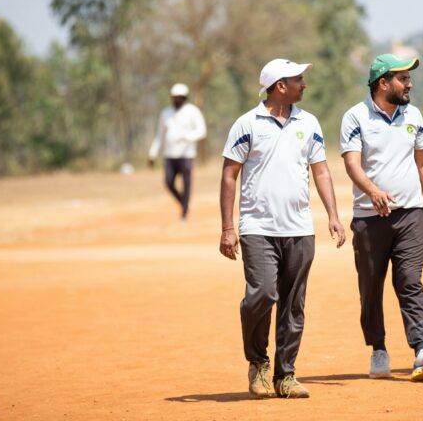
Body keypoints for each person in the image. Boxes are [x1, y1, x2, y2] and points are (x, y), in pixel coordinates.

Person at [219, 58, 346, 399]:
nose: (304, 84)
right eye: (298, 79)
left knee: (293, 303)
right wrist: (228, 228)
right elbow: (229, 174)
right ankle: (257, 361)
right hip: (257, 227)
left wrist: (332, 214)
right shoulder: (247, 124)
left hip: (300, 228)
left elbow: (320, 170)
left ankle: (284, 375)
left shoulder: (309, 122)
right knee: (261, 295)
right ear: (280, 86)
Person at [340, 53, 423, 382]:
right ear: (383, 83)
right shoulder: (355, 117)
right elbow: (351, 164)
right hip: (368, 218)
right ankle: (378, 348)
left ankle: (422, 350)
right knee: (370, 288)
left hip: (410, 216)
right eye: (403, 78)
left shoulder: (414, 115)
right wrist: (372, 191)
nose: (410, 84)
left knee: (409, 281)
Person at [148, 83, 206, 220]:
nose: (176, 99)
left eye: (179, 97)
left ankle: (184, 212)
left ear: (184, 97)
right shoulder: (165, 113)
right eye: (174, 97)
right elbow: (159, 135)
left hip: (186, 154)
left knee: (186, 183)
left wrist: (187, 137)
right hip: (169, 154)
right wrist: (152, 153)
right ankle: (183, 203)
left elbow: (201, 131)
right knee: (168, 182)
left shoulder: (193, 111)